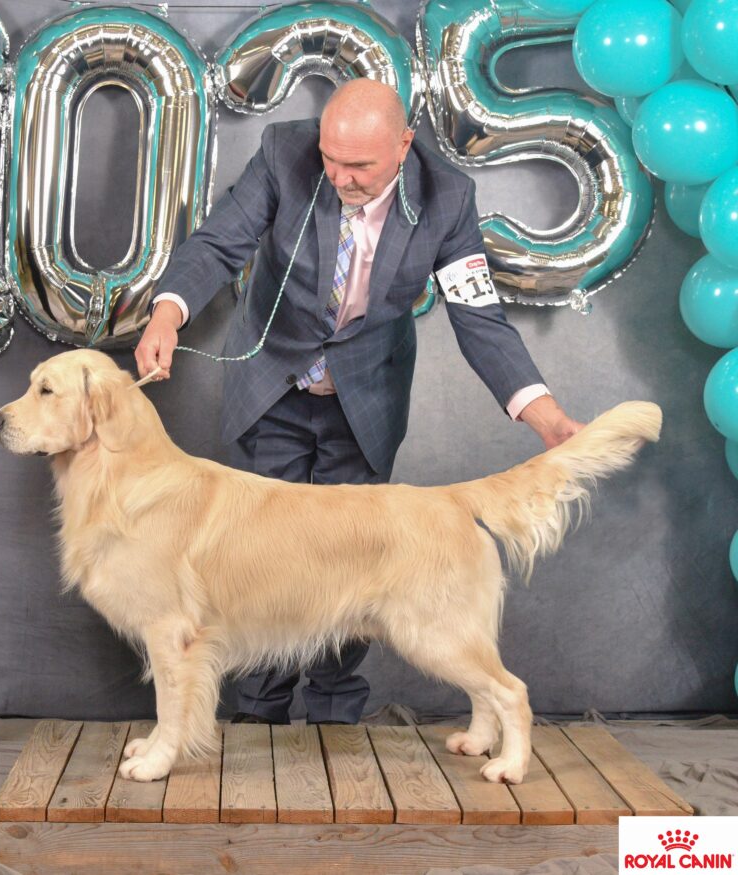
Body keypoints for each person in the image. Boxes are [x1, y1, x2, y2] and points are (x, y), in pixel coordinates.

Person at [135, 79, 582, 727]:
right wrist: (168, 315)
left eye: (360, 166)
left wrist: (541, 411)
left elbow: (479, 317)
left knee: (357, 563)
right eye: (331, 159)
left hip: (364, 399)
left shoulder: (446, 196)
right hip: (273, 388)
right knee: (263, 561)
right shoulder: (285, 153)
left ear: (403, 146)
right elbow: (217, 243)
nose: (339, 177)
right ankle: (258, 710)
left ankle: (334, 712)